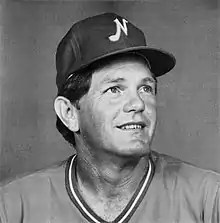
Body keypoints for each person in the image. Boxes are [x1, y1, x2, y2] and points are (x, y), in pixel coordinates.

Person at [0, 12, 219, 223]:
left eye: (145, 88)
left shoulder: (209, 198)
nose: (138, 104)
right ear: (69, 113)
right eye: (115, 89)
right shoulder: (12, 206)